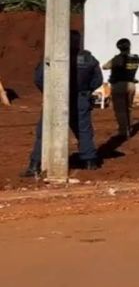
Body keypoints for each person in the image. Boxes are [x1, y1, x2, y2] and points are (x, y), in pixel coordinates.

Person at [20, 31, 103, 178]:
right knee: (83, 130)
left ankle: (35, 165)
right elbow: (97, 80)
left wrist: (49, 93)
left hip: (56, 97)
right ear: (79, 41)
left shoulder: (54, 56)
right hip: (80, 99)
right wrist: (86, 91)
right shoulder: (88, 58)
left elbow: (39, 78)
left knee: (45, 131)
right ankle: (90, 162)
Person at [103, 38, 139, 139]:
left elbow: (105, 66)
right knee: (129, 108)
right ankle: (129, 128)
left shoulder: (117, 59)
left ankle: (123, 131)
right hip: (132, 84)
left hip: (119, 85)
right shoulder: (136, 57)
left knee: (120, 110)